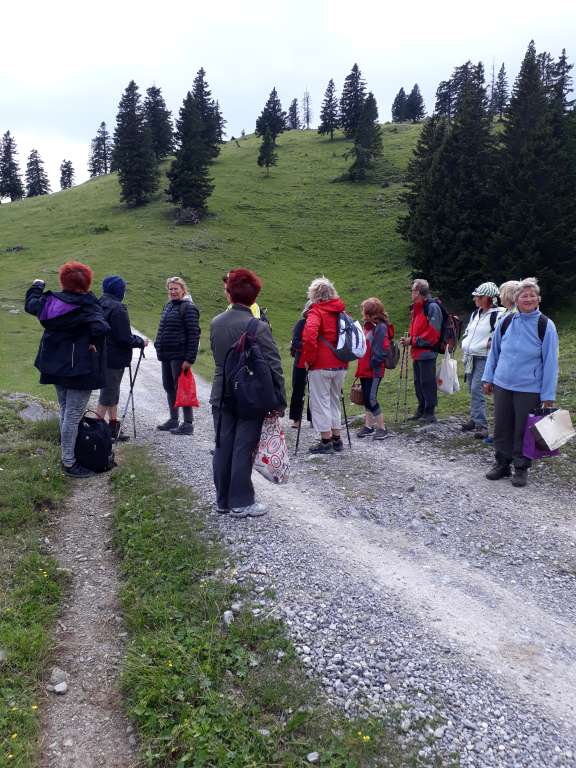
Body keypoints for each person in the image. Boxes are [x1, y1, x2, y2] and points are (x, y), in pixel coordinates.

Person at [211, 269, 286, 518]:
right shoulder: (259, 327)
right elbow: (274, 366)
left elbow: (218, 359)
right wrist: (279, 401)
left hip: (221, 393)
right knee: (243, 447)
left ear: (229, 294)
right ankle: (241, 501)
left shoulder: (216, 322)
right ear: (254, 297)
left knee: (223, 445)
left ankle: (222, 500)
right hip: (249, 396)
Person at [24, 261, 109, 478]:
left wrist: (37, 286)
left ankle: (68, 453)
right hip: (79, 368)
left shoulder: (50, 302)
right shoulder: (88, 304)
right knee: (72, 415)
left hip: (54, 365)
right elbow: (101, 327)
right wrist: (92, 340)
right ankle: (69, 462)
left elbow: (31, 304)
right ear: (87, 282)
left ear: (63, 281)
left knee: (65, 409)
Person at [482, 278, 559, 488]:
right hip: (503, 384)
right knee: (501, 427)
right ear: (516, 300)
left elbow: (551, 363)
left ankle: (521, 468)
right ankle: (502, 464)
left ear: (539, 299)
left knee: (523, 430)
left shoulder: (545, 325)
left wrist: (548, 395)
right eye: (524, 295)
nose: (529, 298)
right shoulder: (506, 322)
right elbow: (494, 352)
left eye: (532, 295)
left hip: (529, 387)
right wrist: (488, 378)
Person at [300, 277, 349, 454]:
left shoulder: (316, 311)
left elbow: (309, 335)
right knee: (334, 400)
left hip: (321, 364)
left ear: (314, 294)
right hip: (340, 363)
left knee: (320, 402)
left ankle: (325, 440)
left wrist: (309, 359)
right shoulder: (341, 311)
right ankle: (337, 439)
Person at [96, 275, 147, 441]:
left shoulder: (99, 303)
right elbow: (123, 338)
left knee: (112, 391)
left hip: (100, 355)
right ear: (120, 291)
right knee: (108, 394)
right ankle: (96, 433)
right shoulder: (118, 308)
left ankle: (112, 427)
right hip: (114, 358)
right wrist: (140, 341)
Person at [154, 276, 201, 435]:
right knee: (169, 386)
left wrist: (189, 359)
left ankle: (188, 424)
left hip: (180, 355)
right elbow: (162, 329)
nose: (173, 291)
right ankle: (173, 419)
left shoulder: (188, 308)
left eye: (176, 288)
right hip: (167, 354)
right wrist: (158, 346)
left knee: (183, 388)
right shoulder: (168, 306)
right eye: (171, 289)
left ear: (183, 290)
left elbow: (194, 334)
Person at [460, 282, 504, 439]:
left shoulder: (498, 314)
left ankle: (482, 425)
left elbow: (501, 335)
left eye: (479, 296)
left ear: (489, 298)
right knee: (471, 388)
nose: (475, 299)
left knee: (476, 389)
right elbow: (469, 332)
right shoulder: (475, 313)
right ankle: (474, 418)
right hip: (471, 357)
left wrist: (490, 343)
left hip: (484, 357)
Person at [400, 279, 442, 424]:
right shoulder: (417, 308)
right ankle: (421, 408)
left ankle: (429, 412)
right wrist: (410, 340)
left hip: (427, 352)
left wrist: (412, 341)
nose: (411, 293)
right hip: (417, 352)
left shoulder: (432, 307)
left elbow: (433, 333)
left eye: (412, 290)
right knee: (419, 382)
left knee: (427, 382)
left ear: (418, 292)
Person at [355, 297, 391, 440]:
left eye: (364, 310)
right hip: (365, 369)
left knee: (371, 398)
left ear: (370, 313)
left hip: (373, 370)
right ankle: (368, 426)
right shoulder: (368, 326)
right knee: (366, 398)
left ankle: (382, 428)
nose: (362, 313)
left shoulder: (380, 327)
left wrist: (371, 364)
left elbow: (381, 350)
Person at [289, 301, 312, 429]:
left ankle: (312, 418)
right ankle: (296, 419)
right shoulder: (301, 324)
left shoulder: (321, 324)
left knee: (314, 391)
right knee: (298, 389)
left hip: (315, 362)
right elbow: (295, 343)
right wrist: (310, 346)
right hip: (301, 362)